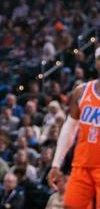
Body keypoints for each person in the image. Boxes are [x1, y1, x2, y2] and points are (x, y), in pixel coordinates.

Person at [48, 47, 100, 209]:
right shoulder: (82, 91)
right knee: (70, 205)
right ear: (96, 62)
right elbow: (69, 128)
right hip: (82, 164)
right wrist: (56, 163)